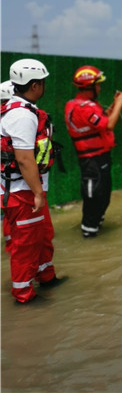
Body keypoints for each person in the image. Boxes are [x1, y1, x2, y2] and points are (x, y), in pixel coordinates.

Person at [1, 59, 65, 304]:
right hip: (21, 191)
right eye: (43, 82)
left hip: (20, 188)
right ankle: (24, 295)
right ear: (35, 85)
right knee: (25, 244)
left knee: (40, 236)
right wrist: (38, 192)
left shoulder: (15, 109)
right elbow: (25, 159)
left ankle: (45, 276)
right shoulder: (22, 115)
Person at [64, 65, 122, 238]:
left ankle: (95, 228)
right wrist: (120, 104)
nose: (100, 88)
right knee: (94, 199)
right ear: (88, 86)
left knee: (104, 197)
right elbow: (108, 124)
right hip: (91, 161)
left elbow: (102, 119)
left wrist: (114, 105)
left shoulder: (89, 105)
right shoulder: (82, 107)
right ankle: (89, 235)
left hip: (101, 158)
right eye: (97, 84)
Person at [1, 80, 15, 253]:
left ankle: (10, 245)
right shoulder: (15, 119)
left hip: (7, 180)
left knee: (8, 213)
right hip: (13, 179)